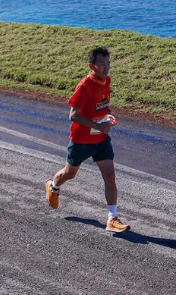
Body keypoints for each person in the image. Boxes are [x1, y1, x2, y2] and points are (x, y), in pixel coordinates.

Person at [45, 46, 130, 232]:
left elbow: (102, 105)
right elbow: (73, 115)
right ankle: (53, 186)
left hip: (100, 139)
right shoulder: (84, 86)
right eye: (101, 65)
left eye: (108, 63)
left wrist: (108, 116)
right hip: (81, 140)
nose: (106, 68)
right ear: (91, 66)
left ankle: (112, 218)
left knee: (110, 176)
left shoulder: (106, 81)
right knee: (70, 173)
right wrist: (98, 125)